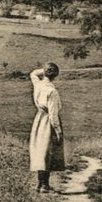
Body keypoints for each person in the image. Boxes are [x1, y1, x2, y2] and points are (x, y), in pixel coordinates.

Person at [29, 62, 65, 193]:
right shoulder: (52, 91)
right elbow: (53, 115)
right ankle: (44, 185)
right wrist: (58, 132)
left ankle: (40, 183)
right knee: (48, 152)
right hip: (48, 121)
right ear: (55, 76)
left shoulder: (38, 84)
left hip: (39, 119)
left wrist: (44, 70)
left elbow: (33, 73)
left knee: (40, 151)